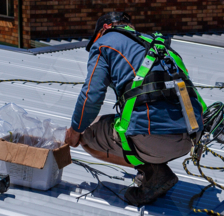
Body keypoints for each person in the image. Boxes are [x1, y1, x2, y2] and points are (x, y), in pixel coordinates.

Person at [64, 12, 206, 206]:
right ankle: (152, 167)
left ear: (104, 29)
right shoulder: (159, 45)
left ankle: (155, 173)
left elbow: (91, 96)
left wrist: (74, 130)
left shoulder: (104, 43)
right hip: (189, 140)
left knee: (87, 133)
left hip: (154, 140)